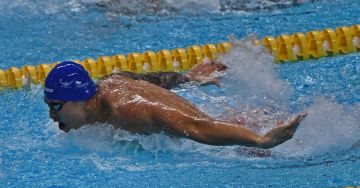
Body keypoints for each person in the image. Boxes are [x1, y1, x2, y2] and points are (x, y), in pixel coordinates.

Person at [44, 61, 306, 149]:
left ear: (78, 99)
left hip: (236, 137)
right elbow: (153, 80)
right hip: (230, 123)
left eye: (55, 106)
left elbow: (197, 126)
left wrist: (261, 140)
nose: (51, 115)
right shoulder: (110, 81)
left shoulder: (128, 110)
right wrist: (189, 79)